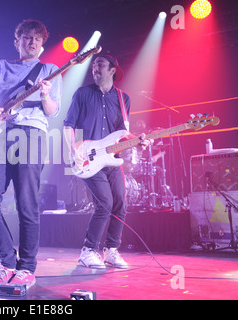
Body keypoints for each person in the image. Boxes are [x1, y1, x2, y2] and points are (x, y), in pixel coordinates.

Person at [0, 19, 61, 290]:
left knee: (27, 202)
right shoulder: (2, 66)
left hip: (31, 133)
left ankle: (26, 268)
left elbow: (52, 110)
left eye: (37, 38)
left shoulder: (49, 70)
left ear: (42, 45)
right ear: (18, 41)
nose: (32, 41)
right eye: (27, 37)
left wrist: (46, 95)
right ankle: (7, 262)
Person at [63, 54, 151, 269]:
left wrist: (138, 141)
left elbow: (123, 133)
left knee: (120, 203)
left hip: (112, 159)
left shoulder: (123, 99)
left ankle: (111, 250)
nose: (95, 68)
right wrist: (73, 150)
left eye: (100, 65)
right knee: (105, 204)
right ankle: (88, 250)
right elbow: (68, 125)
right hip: (88, 158)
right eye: (93, 65)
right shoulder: (83, 93)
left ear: (112, 70)